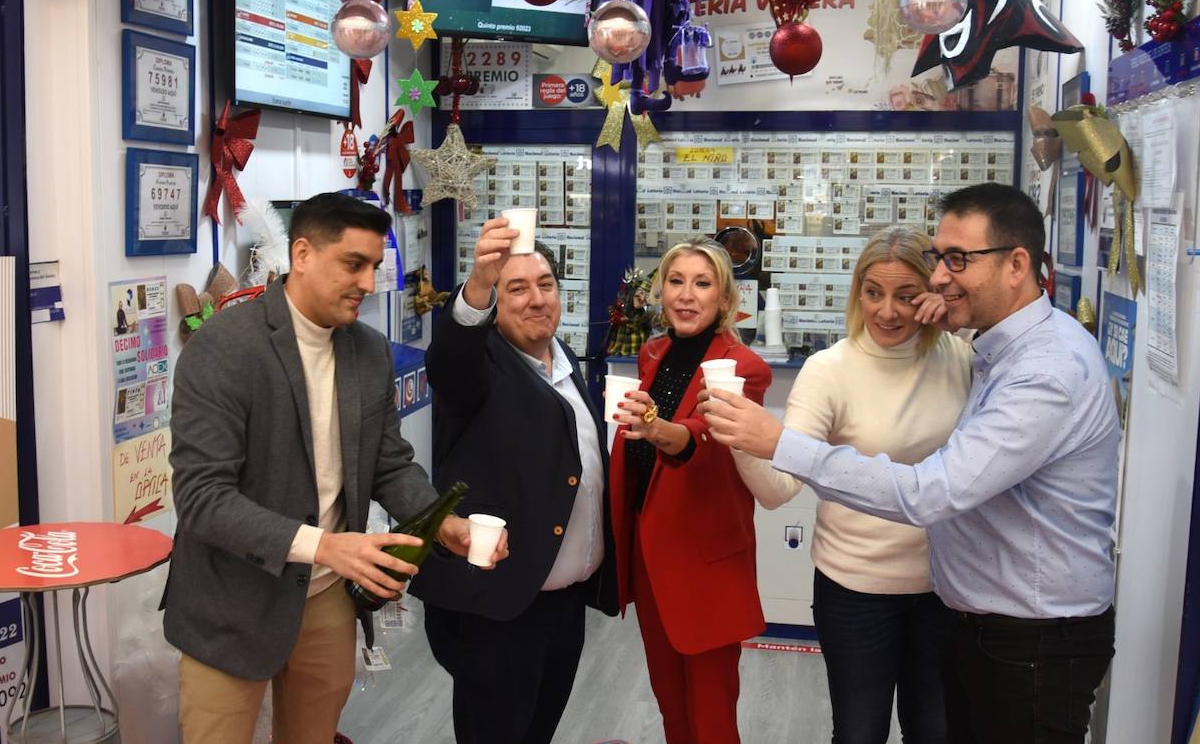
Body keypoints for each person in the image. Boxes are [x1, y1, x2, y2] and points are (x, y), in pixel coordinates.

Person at [705, 183, 1120, 744]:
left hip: (1020, 628)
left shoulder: (1030, 369)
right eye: (939, 262)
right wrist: (752, 439)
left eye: (956, 262)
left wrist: (780, 442)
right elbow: (780, 488)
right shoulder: (997, 349)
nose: (941, 280)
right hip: (930, 604)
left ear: (1017, 264)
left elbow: (933, 492)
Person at [166, 192, 502, 744]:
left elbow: (389, 461)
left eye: (373, 266)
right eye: (353, 264)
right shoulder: (224, 347)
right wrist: (326, 546)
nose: (368, 284)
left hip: (324, 599)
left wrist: (441, 520)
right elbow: (203, 499)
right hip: (231, 603)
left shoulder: (367, 351)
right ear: (302, 254)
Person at [729, 227, 971, 744]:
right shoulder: (829, 370)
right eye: (873, 292)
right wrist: (743, 441)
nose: (887, 311)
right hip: (855, 589)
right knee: (860, 733)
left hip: (944, 587)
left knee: (937, 730)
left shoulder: (959, 357)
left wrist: (956, 309)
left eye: (907, 296)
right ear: (857, 292)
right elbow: (778, 489)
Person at [410, 217, 618, 744]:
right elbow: (450, 358)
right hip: (501, 607)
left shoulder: (562, 357)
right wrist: (478, 281)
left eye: (545, 285)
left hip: (563, 604)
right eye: (516, 288)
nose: (536, 300)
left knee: (537, 732)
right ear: (494, 305)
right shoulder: (478, 368)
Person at [609, 237, 772, 744]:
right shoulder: (652, 353)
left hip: (706, 564)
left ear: (724, 300)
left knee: (712, 714)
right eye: (676, 281)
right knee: (670, 704)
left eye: (703, 284)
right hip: (651, 551)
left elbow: (702, 436)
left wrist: (658, 430)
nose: (686, 295)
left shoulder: (743, 366)